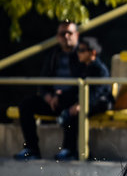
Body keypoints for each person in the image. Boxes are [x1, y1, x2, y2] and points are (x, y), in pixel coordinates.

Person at [14, 24, 111, 161]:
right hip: (60, 100)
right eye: (62, 34)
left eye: (69, 33)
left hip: (77, 101)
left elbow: (93, 88)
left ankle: (70, 150)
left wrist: (78, 103)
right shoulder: (54, 56)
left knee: (73, 112)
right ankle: (31, 149)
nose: (66, 37)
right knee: (26, 105)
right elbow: (43, 82)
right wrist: (51, 97)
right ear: (57, 37)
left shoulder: (90, 63)